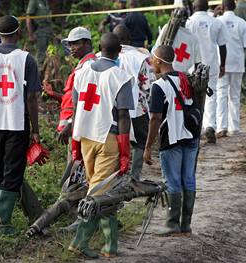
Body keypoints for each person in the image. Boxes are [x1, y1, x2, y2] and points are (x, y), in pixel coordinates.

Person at [0, 15, 41, 235]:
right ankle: (3, 224)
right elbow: (31, 98)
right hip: (16, 122)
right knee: (13, 171)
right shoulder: (26, 60)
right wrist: (36, 131)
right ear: (19, 33)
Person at [68, 33, 133, 258]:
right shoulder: (120, 76)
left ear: (98, 48)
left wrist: (74, 142)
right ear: (119, 52)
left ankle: (110, 245)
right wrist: (125, 151)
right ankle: (79, 242)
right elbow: (123, 115)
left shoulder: (80, 72)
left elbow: (76, 110)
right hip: (109, 138)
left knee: (103, 190)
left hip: (85, 137)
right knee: (98, 192)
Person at [144, 45, 199, 236]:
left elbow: (155, 118)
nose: (151, 62)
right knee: (188, 179)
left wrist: (148, 146)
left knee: (173, 181)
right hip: (192, 137)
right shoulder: (186, 79)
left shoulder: (159, 86)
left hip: (172, 138)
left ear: (159, 61)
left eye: (152, 59)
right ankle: (186, 226)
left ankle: (172, 224)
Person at [43, 27, 96, 184]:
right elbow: (72, 98)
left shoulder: (89, 68)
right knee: (75, 166)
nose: (71, 48)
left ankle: (73, 200)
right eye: (70, 44)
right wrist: (54, 95)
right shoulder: (82, 66)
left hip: (79, 127)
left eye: (75, 44)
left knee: (77, 167)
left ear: (87, 43)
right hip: (75, 125)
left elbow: (85, 102)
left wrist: (71, 124)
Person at [113, 25, 153, 180]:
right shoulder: (140, 57)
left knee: (115, 141)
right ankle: (134, 177)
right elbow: (147, 85)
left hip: (112, 109)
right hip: (136, 107)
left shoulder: (101, 55)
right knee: (139, 143)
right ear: (129, 39)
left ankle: (116, 176)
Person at [186, 0, 228, 143]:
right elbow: (222, 46)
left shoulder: (188, 22)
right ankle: (209, 125)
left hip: (192, 65)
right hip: (211, 64)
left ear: (194, 6)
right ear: (206, 7)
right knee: (211, 94)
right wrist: (223, 65)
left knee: (190, 94)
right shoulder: (216, 22)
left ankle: (193, 125)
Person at [216, 0, 246, 137]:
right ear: (234, 7)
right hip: (237, 63)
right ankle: (234, 127)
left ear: (222, 7)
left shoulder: (217, 22)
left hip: (221, 64)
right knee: (235, 96)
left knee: (221, 94)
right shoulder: (241, 23)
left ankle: (221, 127)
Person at [154, 9, 201, 74]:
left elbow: (157, 48)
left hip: (168, 72)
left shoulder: (167, 29)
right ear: (187, 19)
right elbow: (198, 62)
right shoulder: (193, 38)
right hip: (184, 76)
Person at [26, 0, 52, 78]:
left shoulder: (45, 2)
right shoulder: (35, 1)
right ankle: (37, 82)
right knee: (40, 59)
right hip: (39, 34)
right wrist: (31, 34)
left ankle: (45, 82)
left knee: (48, 58)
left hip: (47, 34)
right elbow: (29, 18)